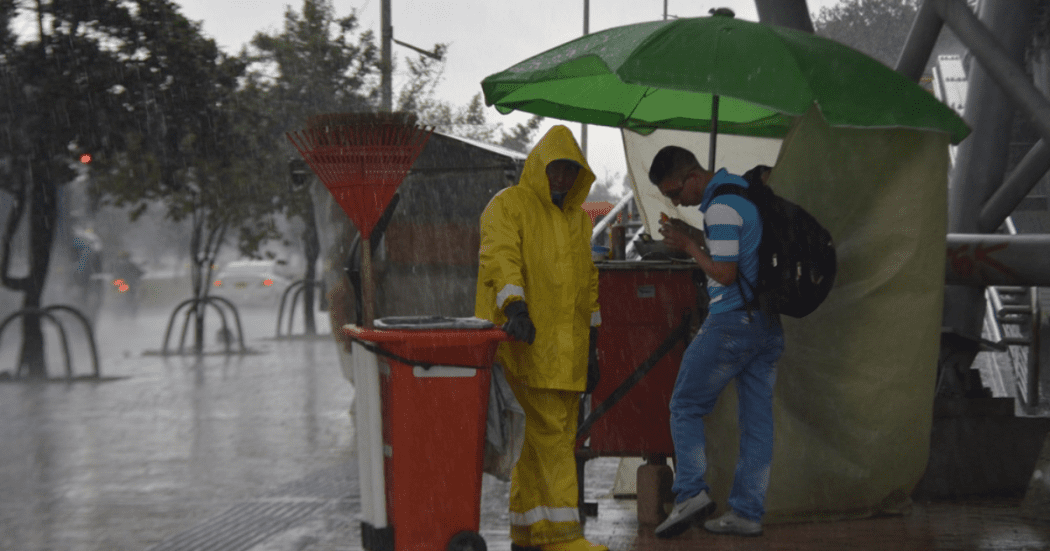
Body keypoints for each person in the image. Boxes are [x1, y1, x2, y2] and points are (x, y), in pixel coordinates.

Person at [475, 125, 604, 551]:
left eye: (570, 172)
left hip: (566, 354)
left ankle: (529, 532)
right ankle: (564, 538)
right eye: (556, 170)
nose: (563, 180)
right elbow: (500, 257)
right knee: (551, 437)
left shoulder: (577, 222)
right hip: (525, 346)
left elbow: (588, 286)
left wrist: (593, 347)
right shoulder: (509, 206)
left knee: (544, 441)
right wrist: (515, 307)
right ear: (538, 167)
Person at [648, 145, 785, 538]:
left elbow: (725, 274)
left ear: (693, 177)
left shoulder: (721, 208)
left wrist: (690, 247)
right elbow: (742, 258)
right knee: (758, 423)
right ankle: (746, 512)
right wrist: (693, 234)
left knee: (685, 404)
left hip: (732, 323)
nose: (677, 200)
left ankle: (691, 492)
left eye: (676, 192)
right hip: (766, 325)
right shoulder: (741, 194)